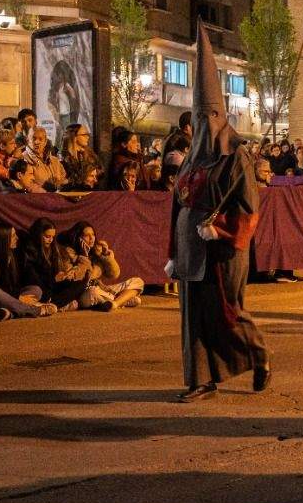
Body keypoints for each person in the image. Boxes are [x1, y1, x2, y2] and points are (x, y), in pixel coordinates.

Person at [168, 25, 270, 401]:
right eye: (200, 118)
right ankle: (201, 380)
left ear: (221, 115)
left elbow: (249, 206)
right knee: (192, 316)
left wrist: (222, 230)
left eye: (211, 115)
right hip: (191, 249)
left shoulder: (236, 156)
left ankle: (258, 355)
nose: (205, 126)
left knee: (227, 315)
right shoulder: (190, 160)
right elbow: (177, 206)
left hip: (223, 251)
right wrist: (173, 252)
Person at [0, 224, 55, 320]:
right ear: (3, 239)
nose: (17, 238)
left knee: (36, 290)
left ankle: (14, 312)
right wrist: (18, 297)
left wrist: (19, 296)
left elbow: (13, 285)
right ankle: (35, 310)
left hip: (10, 296)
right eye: (13, 236)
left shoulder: (11, 255)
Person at [65, 223, 145, 310]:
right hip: (83, 293)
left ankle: (115, 303)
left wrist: (105, 257)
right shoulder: (69, 254)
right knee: (93, 292)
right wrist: (84, 257)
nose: (91, 238)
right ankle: (121, 300)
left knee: (138, 281)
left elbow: (114, 275)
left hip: (102, 290)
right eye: (86, 235)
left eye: (93, 235)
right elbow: (78, 278)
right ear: (78, 238)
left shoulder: (95, 252)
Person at [19, 217, 94, 310]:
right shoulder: (29, 251)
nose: (50, 240)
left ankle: (54, 304)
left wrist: (65, 275)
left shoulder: (53, 248)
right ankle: (53, 304)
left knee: (81, 283)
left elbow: (111, 273)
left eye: (52, 237)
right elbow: (34, 279)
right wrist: (54, 279)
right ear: (38, 234)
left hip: (52, 286)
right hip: (40, 288)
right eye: (47, 236)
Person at [21, 125, 67, 191]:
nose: (37, 142)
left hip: (58, 198)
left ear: (45, 142)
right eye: (34, 138)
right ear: (27, 140)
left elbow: (63, 178)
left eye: (40, 139)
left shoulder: (55, 161)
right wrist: (46, 193)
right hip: (39, 199)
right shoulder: (24, 159)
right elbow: (27, 184)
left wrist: (60, 186)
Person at [62, 123, 102, 189]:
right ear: (74, 137)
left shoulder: (90, 153)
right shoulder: (66, 157)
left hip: (93, 190)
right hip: (74, 192)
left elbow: (101, 170)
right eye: (84, 135)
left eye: (88, 134)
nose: (88, 137)